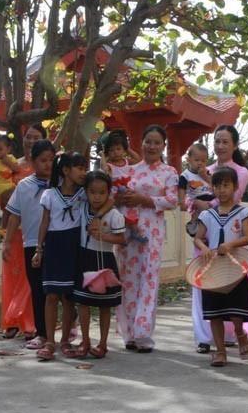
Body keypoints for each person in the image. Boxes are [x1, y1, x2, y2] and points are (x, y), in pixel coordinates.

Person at [190, 125, 248, 353]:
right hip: (206, 237)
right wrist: (194, 202)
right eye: (217, 141)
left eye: (225, 141)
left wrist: (206, 199)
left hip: (230, 241)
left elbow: (233, 197)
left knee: (232, 290)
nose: (220, 146)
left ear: (234, 145)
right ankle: (205, 338)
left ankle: (233, 334)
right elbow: (190, 196)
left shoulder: (240, 172)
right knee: (204, 288)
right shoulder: (203, 168)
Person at [114, 124, 178, 353]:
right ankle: (129, 334)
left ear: (163, 146)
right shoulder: (129, 170)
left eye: (157, 142)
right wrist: (123, 199)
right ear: (140, 143)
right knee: (127, 280)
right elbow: (115, 196)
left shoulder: (169, 172)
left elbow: (172, 201)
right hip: (128, 232)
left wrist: (143, 199)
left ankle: (143, 334)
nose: (152, 146)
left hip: (152, 233)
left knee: (148, 280)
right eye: (148, 141)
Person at [194, 166, 248, 367]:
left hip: (234, 267)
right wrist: (204, 247)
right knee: (215, 312)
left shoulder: (243, 212)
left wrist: (230, 245)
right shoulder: (207, 215)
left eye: (226, 185)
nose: (221, 190)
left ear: (235, 187)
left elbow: (247, 237)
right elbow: (198, 238)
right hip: (213, 268)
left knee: (236, 309)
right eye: (217, 186)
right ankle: (220, 352)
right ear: (212, 188)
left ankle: (240, 333)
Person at [32, 152, 88, 361]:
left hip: (74, 246)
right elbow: (45, 223)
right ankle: (49, 341)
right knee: (51, 295)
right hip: (54, 246)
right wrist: (39, 249)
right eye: (79, 168)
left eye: (85, 168)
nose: (83, 173)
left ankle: (65, 340)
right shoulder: (49, 194)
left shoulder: (84, 194)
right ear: (65, 170)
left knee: (68, 298)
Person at [2, 138, 54, 349]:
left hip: (57, 242)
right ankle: (42, 334)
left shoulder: (61, 184)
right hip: (31, 244)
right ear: (33, 162)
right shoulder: (24, 186)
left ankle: (69, 329)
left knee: (61, 290)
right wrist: (7, 243)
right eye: (43, 160)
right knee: (38, 290)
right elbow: (14, 216)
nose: (48, 164)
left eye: (51, 160)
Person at [73, 171, 126, 358]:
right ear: (86, 192)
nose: (97, 197)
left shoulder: (114, 215)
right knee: (83, 302)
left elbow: (121, 238)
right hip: (85, 257)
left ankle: (103, 344)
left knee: (105, 305)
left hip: (105, 259)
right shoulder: (82, 207)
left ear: (108, 192)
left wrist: (102, 236)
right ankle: (85, 340)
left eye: (102, 192)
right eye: (92, 192)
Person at [100, 129, 145, 243]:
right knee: (119, 217)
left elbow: (138, 159)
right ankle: (125, 235)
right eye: (111, 150)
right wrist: (102, 156)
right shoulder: (110, 165)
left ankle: (133, 232)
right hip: (117, 193)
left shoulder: (127, 162)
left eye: (118, 149)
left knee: (131, 210)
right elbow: (104, 169)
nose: (115, 152)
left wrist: (127, 148)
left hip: (127, 191)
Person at [178, 142, 213, 236]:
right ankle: (193, 225)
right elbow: (181, 189)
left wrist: (205, 176)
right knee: (200, 216)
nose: (200, 163)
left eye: (203, 161)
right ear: (188, 160)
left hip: (210, 197)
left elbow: (214, 184)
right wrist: (182, 202)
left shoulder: (207, 172)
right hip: (196, 198)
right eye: (196, 160)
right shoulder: (185, 175)